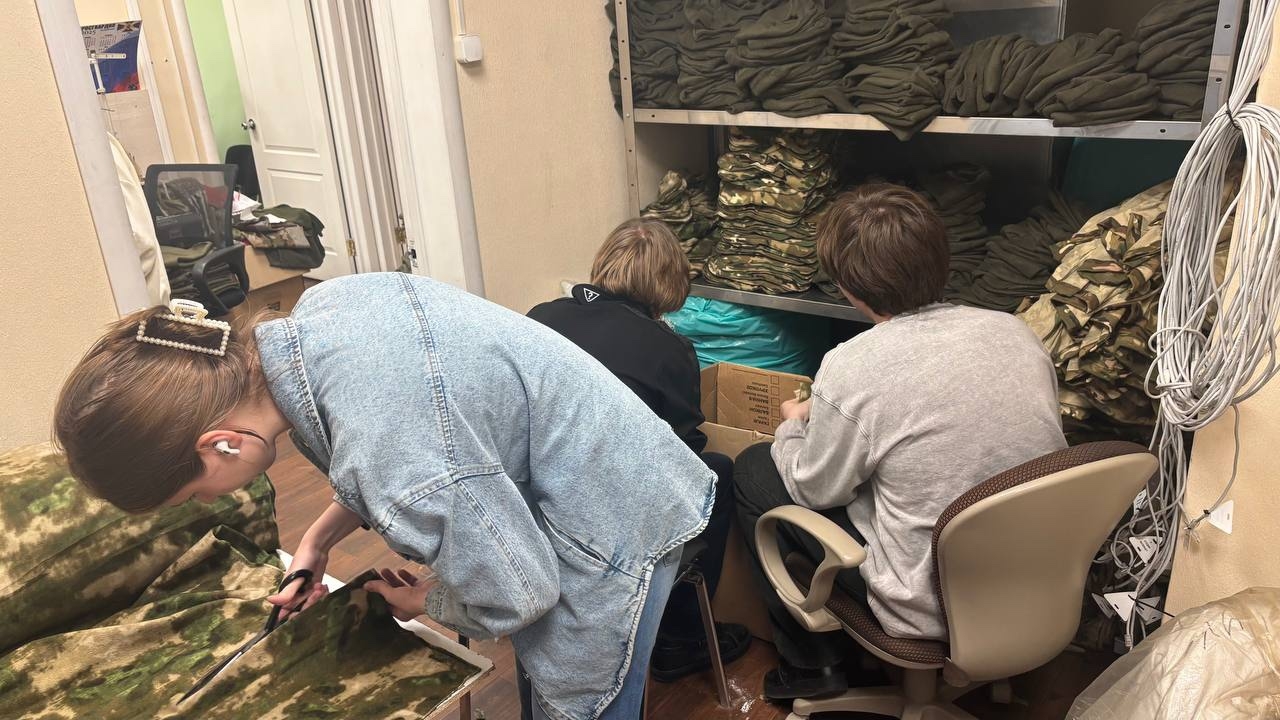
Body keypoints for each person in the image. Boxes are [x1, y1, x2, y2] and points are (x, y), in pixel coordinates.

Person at [53, 273, 717, 720]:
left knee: (581, 700)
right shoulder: (320, 317)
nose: (204, 504)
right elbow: (394, 445)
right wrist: (316, 544)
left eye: (192, 495)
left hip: (617, 512)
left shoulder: (392, 447)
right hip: (602, 454)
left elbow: (520, 593)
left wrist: (425, 601)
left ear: (220, 445)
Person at [734, 185, 1067, 701]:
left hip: (926, 605)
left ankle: (814, 667)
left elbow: (814, 490)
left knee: (756, 467)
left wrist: (794, 424)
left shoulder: (853, 364)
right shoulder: (1015, 332)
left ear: (848, 286)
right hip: (1034, 580)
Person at [527, 218, 751, 683]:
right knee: (716, 471)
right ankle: (680, 636)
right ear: (669, 282)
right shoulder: (668, 348)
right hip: (609, 524)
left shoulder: (541, 317)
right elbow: (683, 453)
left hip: (535, 508)